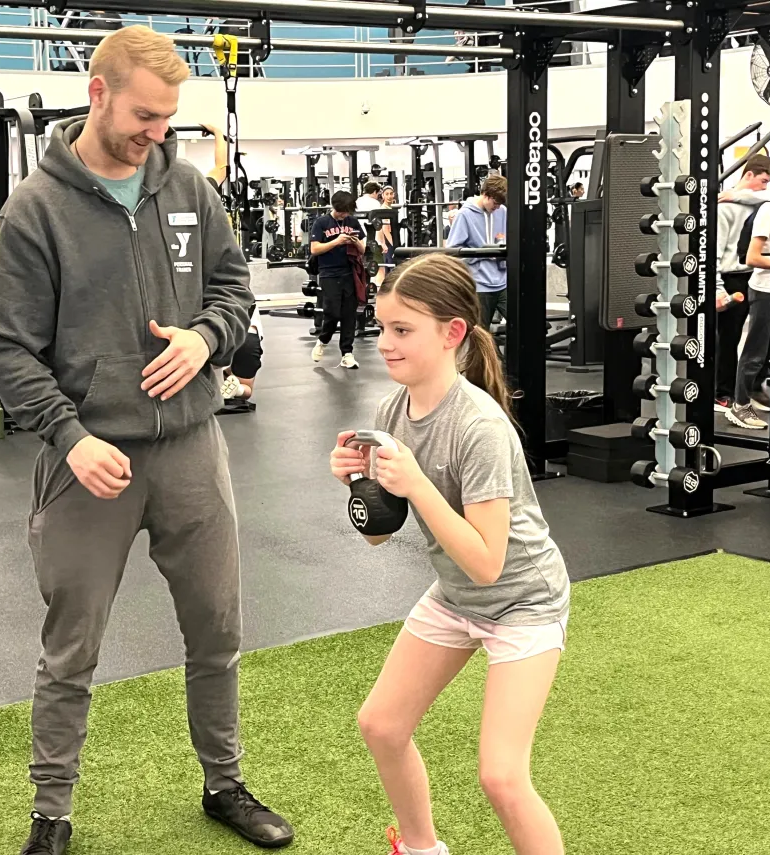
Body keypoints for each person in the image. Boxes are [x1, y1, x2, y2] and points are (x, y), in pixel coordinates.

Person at [0, 25, 293, 855]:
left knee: (217, 632)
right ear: (98, 93)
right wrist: (68, 436)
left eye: (168, 118)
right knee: (71, 648)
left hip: (192, 447)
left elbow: (233, 287)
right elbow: (8, 345)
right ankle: (51, 814)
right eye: (146, 115)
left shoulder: (188, 187)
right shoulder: (36, 208)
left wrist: (206, 339)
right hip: (91, 460)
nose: (158, 132)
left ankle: (223, 783)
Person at [330, 253, 569, 855]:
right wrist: (360, 490)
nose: (385, 343)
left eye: (402, 330)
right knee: (381, 725)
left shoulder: (480, 427)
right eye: (380, 327)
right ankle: (420, 848)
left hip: (523, 603)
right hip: (457, 596)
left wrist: (415, 485)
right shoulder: (392, 413)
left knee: (502, 776)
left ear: (452, 333)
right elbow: (379, 537)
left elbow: (489, 561)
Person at [714, 155, 770, 412]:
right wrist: (717, 288)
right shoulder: (722, 207)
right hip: (730, 278)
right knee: (729, 338)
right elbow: (713, 252)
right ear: (748, 174)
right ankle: (722, 393)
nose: (764, 187)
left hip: (755, 276)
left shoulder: (759, 204)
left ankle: (751, 389)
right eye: (762, 181)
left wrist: (739, 195)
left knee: (760, 339)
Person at [727, 191, 770, 430]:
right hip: (764, 289)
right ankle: (740, 405)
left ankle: (757, 393)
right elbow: (752, 257)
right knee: (755, 350)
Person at [310, 189, 366, 369]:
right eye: (342, 211)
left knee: (350, 314)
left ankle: (347, 353)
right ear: (335, 207)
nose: (345, 215)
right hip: (328, 273)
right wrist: (337, 241)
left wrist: (354, 241)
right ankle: (323, 340)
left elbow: (363, 248)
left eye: (347, 211)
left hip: (349, 272)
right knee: (332, 313)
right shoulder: (321, 223)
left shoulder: (353, 222)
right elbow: (314, 249)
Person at [446, 176, 508, 330]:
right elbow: (452, 252)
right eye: (495, 203)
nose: (497, 207)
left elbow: (506, 236)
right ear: (486, 195)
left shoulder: (502, 211)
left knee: (526, 324)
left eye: (500, 204)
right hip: (479, 285)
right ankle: (493, 355)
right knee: (480, 335)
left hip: (503, 282)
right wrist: (480, 255)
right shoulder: (464, 215)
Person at [220, 305, 263, 404]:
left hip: (216, 337)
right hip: (249, 337)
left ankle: (224, 382)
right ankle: (238, 389)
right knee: (246, 388)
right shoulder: (242, 292)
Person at [377, 186, 397, 285]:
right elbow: (385, 229)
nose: (389, 196)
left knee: (390, 269)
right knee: (391, 268)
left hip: (389, 241)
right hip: (389, 243)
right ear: (383, 196)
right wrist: (394, 245)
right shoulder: (384, 209)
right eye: (387, 194)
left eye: (391, 194)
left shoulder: (391, 208)